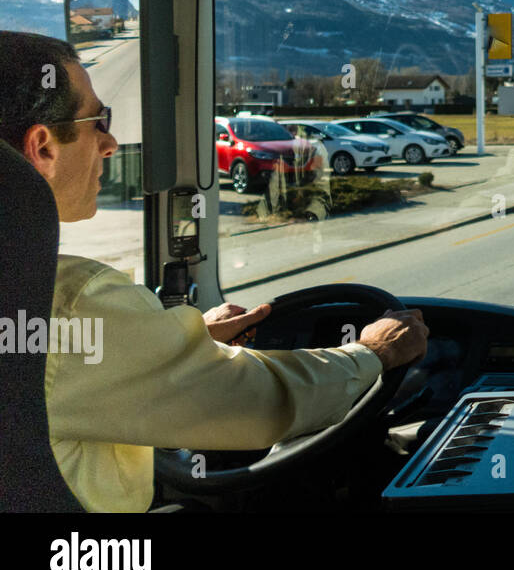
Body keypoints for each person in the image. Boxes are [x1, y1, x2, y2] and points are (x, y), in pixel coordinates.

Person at [0, 31, 429, 512]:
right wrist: (372, 354)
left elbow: (81, 375)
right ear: (42, 147)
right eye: (99, 121)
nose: (111, 143)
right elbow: (258, 402)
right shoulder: (70, 300)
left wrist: (167, 340)